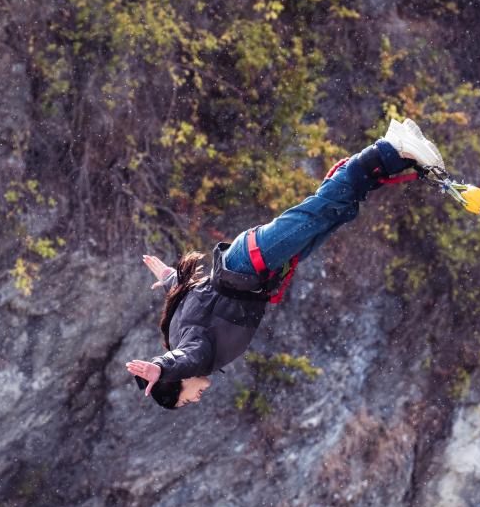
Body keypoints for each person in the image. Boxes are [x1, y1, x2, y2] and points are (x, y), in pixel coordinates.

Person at [125, 120, 441, 409]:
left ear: (178, 382)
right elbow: (192, 300)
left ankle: (389, 147)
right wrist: (169, 278)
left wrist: (161, 368)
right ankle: (399, 156)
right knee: (335, 213)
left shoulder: (196, 355)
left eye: (184, 400)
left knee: (321, 210)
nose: (194, 400)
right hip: (258, 271)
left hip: (247, 265)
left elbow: (184, 359)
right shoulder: (183, 332)